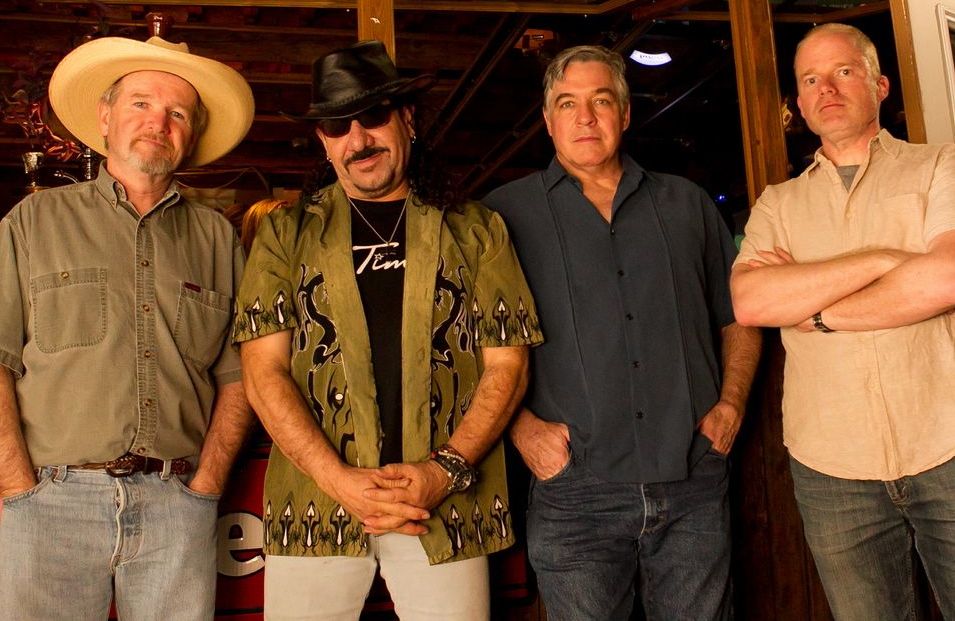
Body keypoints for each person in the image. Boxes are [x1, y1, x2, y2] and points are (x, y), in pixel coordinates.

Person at [234, 40, 543, 620]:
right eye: (337, 125)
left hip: (444, 506)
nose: (358, 139)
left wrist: (443, 471)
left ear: (408, 119)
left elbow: (509, 364)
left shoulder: (476, 229)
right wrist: (338, 480)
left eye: (373, 116)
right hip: (317, 506)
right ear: (323, 140)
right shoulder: (285, 234)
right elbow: (262, 372)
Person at [483, 45, 762, 620]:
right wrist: (522, 430)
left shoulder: (686, 204)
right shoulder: (500, 218)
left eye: (601, 101)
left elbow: (737, 316)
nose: (585, 117)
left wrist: (731, 404)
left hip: (692, 476)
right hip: (574, 485)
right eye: (568, 103)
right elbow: (468, 348)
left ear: (626, 113)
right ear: (547, 120)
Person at [0, 36, 255, 619]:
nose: (157, 123)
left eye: (177, 113)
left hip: (177, 505)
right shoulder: (33, 221)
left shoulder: (218, 238)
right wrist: (16, 485)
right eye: (141, 103)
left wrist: (207, 485)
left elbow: (240, 374)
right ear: (105, 117)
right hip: (50, 502)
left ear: (190, 134)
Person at [731, 22, 955, 619]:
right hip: (832, 468)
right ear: (799, 104)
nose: (826, 88)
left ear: (879, 85)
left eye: (843, 71)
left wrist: (818, 311)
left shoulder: (940, 165)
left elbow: (946, 279)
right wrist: (883, 260)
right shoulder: (777, 204)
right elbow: (751, 302)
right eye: (810, 80)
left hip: (946, 442)